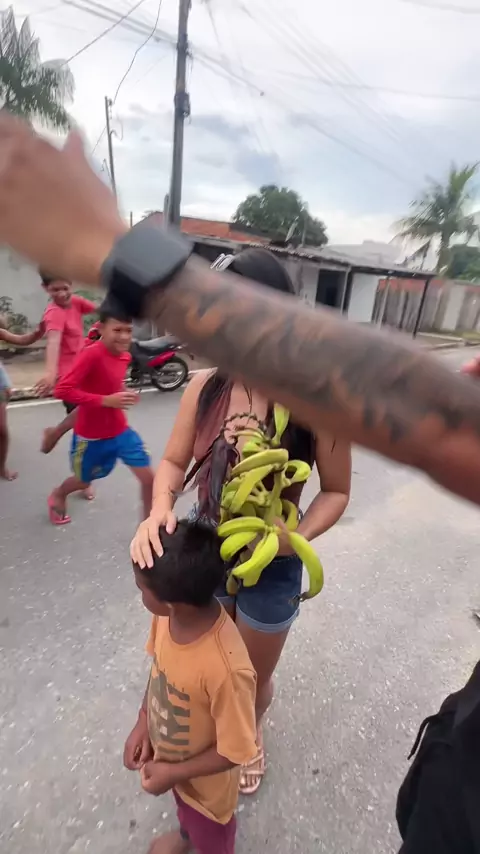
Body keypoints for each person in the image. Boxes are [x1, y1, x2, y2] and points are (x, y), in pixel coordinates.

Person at [130, 248, 351, 793]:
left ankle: (247, 737)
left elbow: (337, 491)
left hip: (273, 558)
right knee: (204, 659)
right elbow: (174, 463)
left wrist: (295, 537)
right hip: (207, 549)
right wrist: (160, 508)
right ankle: (209, 742)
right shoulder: (205, 387)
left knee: (250, 675)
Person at [126, 519, 257, 854]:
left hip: (208, 795)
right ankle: (187, 837)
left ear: (173, 602)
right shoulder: (167, 618)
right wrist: (144, 720)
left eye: (142, 589)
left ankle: (199, 840)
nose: (140, 594)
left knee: (212, 838)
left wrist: (173, 772)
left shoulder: (227, 670)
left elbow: (235, 751)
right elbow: (159, 667)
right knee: (186, 814)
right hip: (174, 768)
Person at [49, 298, 153, 524]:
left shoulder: (124, 355)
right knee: (83, 481)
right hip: (91, 438)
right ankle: (59, 493)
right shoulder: (91, 355)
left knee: (149, 479)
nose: (124, 337)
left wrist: (123, 390)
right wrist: (106, 400)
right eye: (117, 330)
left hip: (120, 431)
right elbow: (62, 390)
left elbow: (111, 382)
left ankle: (149, 528)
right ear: (101, 328)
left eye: (128, 330)